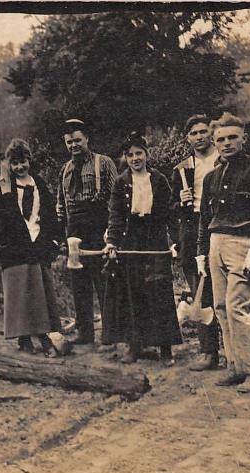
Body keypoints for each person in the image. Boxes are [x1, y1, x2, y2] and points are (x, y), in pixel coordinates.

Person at [196, 112, 250, 393]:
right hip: (215, 243)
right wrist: (201, 252)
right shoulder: (211, 177)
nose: (226, 143)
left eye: (233, 137)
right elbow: (204, 217)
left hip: (243, 244)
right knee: (221, 307)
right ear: (214, 142)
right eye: (220, 139)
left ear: (244, 138)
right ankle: (234, 365)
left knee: (238, 306)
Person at [102, 132, 182, 365]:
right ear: (125, 158)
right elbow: (115, 215)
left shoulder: (159, 180)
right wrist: (112, 243)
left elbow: (169, 215)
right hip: (131, 238)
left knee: (159, 291)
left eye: (139, 153)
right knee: (132, 292)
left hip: (154, 238)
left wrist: (174, 242)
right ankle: (134, 346)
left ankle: (165, 348)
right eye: (130, 155)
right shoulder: (121, 182)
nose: (135, 158)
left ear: (147, 154)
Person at [0, 139, 65, 355]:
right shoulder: (5, 186)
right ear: (9, 165)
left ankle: (44, 335)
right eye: (15, 163)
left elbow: (50, 214)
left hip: (37, 244)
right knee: (19, 293)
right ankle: (24, 339)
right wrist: (5, 192)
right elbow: (1, 216)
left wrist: (52, 241)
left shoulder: (39, 183)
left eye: (23, 162)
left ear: (29, 160)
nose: (20, 167)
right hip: (15, 247)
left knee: (40, 292)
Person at [55, 119, 119, 346]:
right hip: (74, 230)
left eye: (77, 140)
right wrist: (63, 234)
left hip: (98, 227)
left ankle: (110, 333)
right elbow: (61, 205)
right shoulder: (65, 169)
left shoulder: (104, 163)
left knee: (104, 281)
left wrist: (112, 232)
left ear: (87, 139)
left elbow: (116, 198)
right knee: (78, 283)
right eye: (69, 142)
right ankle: (85, 333)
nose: (74, 145)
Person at [169, 114, 222, 371]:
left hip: (221, 228)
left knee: (225, 291)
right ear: (187, 138)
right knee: (200, 291)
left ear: (210, 132)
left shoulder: (223, 159)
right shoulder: (182, 168)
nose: (199, 137)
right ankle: (209, 352)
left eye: (203, 131)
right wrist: (180, 199)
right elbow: (171, 209)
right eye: (194, 133)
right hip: (192, 231)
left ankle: (234, 351)